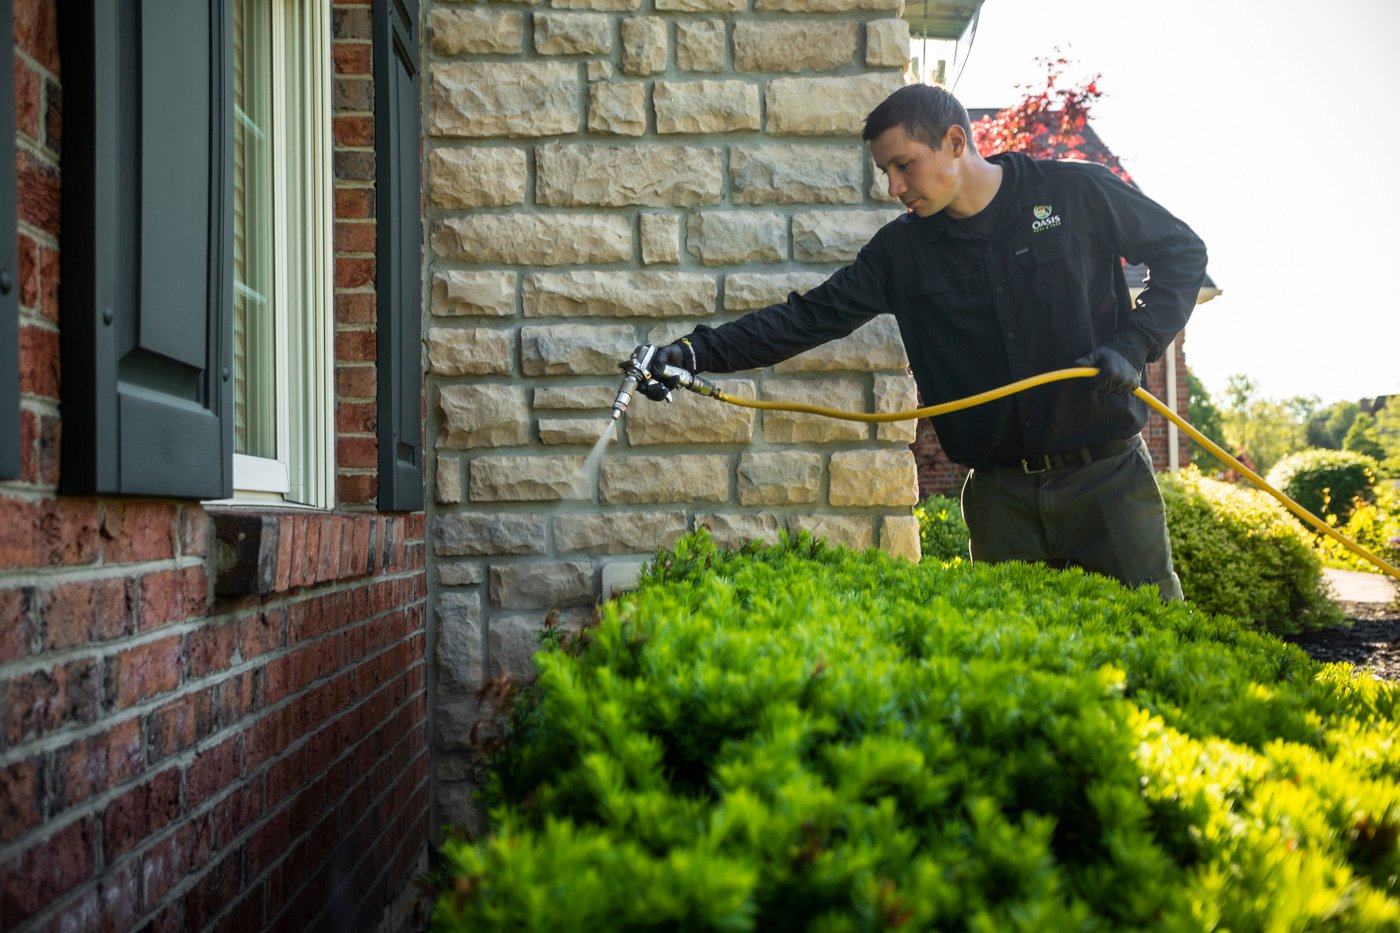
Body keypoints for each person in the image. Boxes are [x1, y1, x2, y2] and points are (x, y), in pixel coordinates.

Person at [649, 83, 1208, 600]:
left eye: (904, 165)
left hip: (1107, 483)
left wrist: (1135, 343)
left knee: (1151, 651)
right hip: (999, 501)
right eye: (886, 171)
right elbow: (807, 318)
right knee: (1016, 676)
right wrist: (692, 353)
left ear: (955, 141)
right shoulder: (901, 254)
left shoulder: (1076, 192)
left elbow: (1183, 253)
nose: (894, 187)